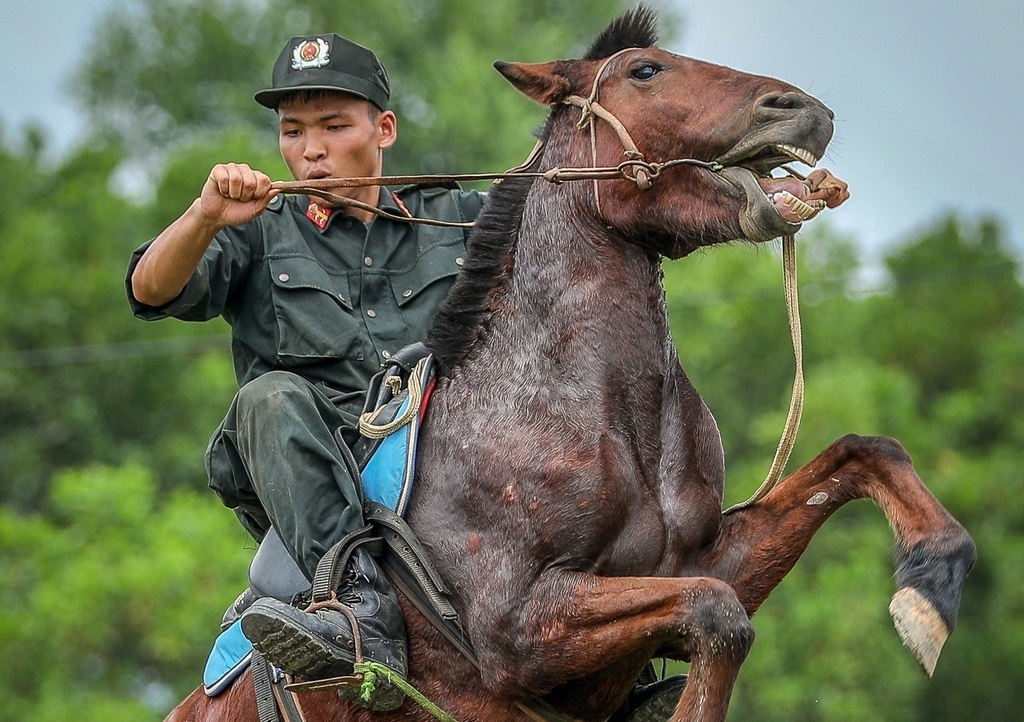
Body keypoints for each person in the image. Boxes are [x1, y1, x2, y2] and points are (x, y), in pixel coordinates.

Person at [127, 34, 484, 711]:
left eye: (332, 126)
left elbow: (576, 238)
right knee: (269, 395)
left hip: (451, 467)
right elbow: (150, 290)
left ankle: (628, 677)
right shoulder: (254, 228)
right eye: (292, 131)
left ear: (383, 129)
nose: (310, 149)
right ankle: (353, 609)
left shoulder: (459, 217)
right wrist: (205, 216)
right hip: (313, 483)